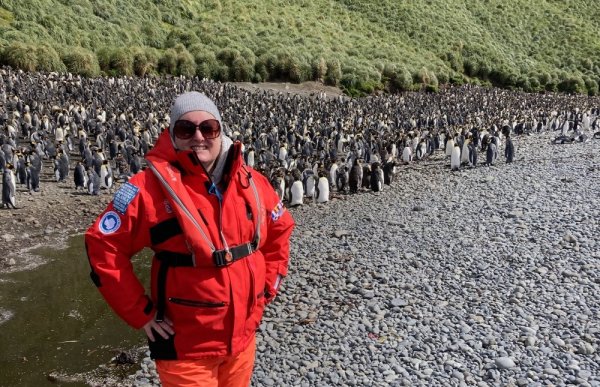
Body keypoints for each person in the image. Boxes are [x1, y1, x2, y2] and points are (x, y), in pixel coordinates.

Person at [85, 92, 295, 386]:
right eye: (186, 129)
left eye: (208, 128)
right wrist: (141, 313)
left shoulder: (251, 181)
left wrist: (265, 289)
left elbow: (279, 231)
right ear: (172, 134)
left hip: (242, 341)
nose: (199, 136)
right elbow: (102, 245)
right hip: (186, 349)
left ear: (220, 131)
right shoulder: (147, 189)